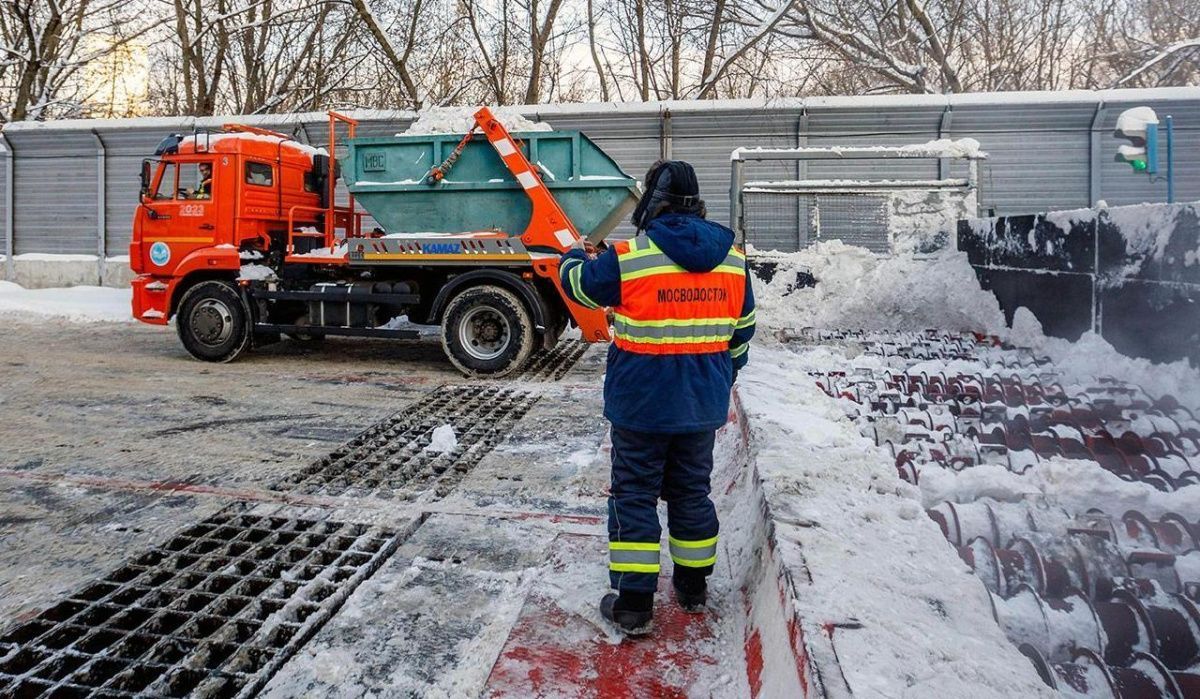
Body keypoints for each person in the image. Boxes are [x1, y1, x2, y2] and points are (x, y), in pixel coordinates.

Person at [558, 160, 756, 635]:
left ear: (653, 202)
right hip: (699, 407)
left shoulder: (631, 257)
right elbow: (743, 331)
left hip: (640, 407)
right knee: (691, 492)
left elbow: (582, 288)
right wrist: (718, 377)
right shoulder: (732, 260)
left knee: (634, 496)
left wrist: (569, 256)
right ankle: (691, 589)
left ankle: (633, 605)